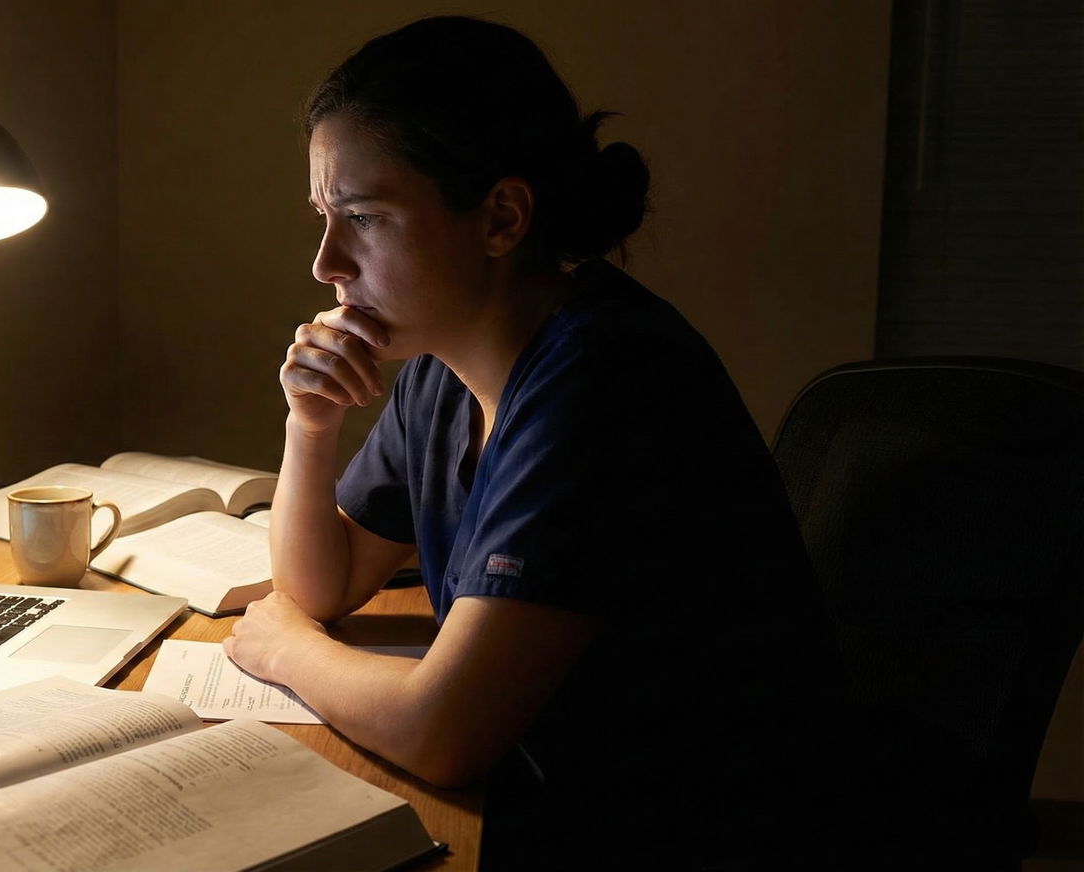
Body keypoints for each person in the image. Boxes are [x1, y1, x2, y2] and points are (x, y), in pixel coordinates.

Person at [221, 15, 843, 869]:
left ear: (502, 218)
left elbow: (443, 732)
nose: (327, 263)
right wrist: (311, 424)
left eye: (363, 217)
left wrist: (290, 652)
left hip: (691, 833)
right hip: (563, 792)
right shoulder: (443, 366)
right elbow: (317, 585)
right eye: (324, 216)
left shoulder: (604, 379)